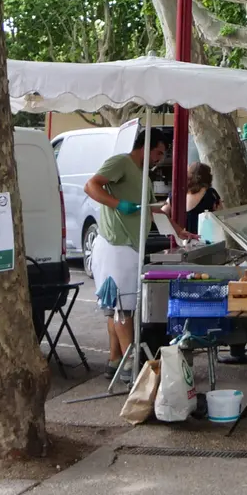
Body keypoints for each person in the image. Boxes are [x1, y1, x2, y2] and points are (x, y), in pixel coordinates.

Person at [83, 124, 169, 367]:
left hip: (132, 246)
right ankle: (130, 364)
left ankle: (115, 361)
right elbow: (91, 185)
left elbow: (155, 210)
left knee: (117, 307)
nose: (159, 160)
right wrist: (117, 203)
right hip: (116, 245)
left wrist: (178, 229)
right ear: (145, 148)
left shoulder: (145, 176)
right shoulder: (120, 163)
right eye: (158, 153)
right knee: (123, 307)